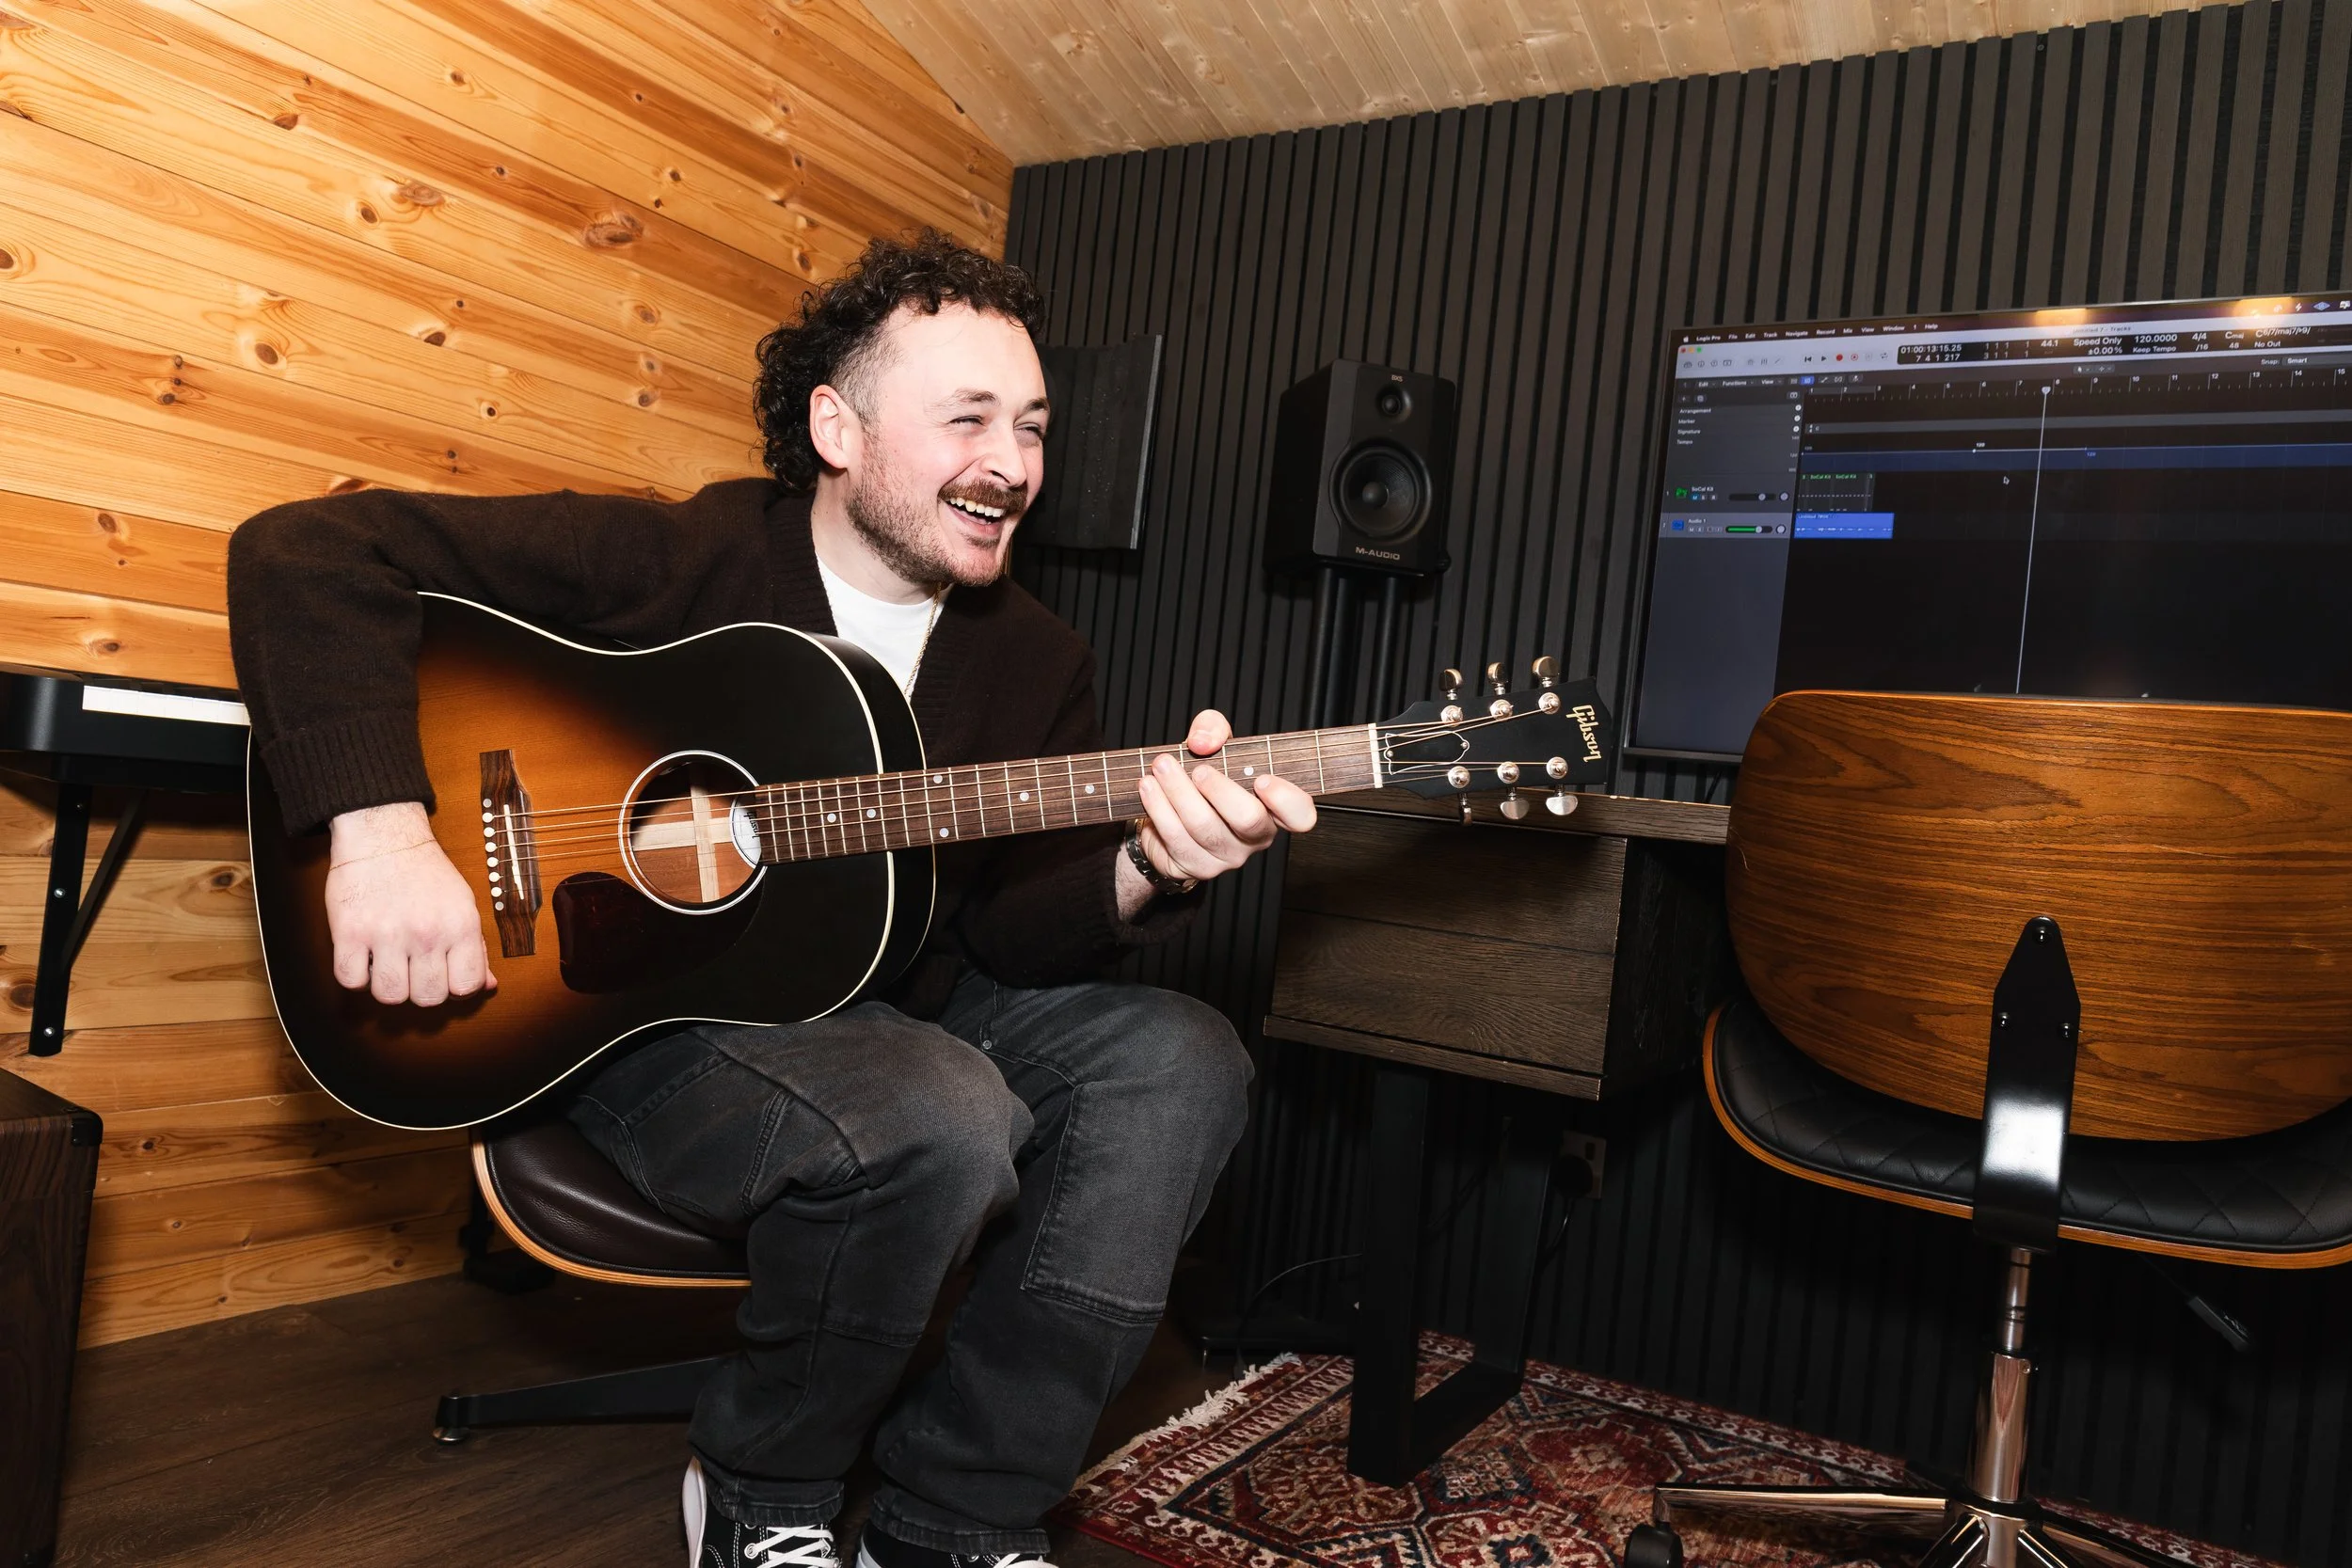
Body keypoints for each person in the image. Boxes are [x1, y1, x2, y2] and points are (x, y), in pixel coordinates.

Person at [225, 230, 1316, 1568]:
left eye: (1031, 425)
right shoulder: (682, 558)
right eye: (967, 417)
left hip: (897, 1010)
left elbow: (1009, 937)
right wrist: (385, 830)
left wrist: (1151, 866)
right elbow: (305, 553)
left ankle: (957, 1518)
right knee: (939, 1103)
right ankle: (763, 1493)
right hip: (643, 1021)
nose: (1012, 465)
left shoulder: (1035, 656)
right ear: (837, 427)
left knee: (1184, 1058)